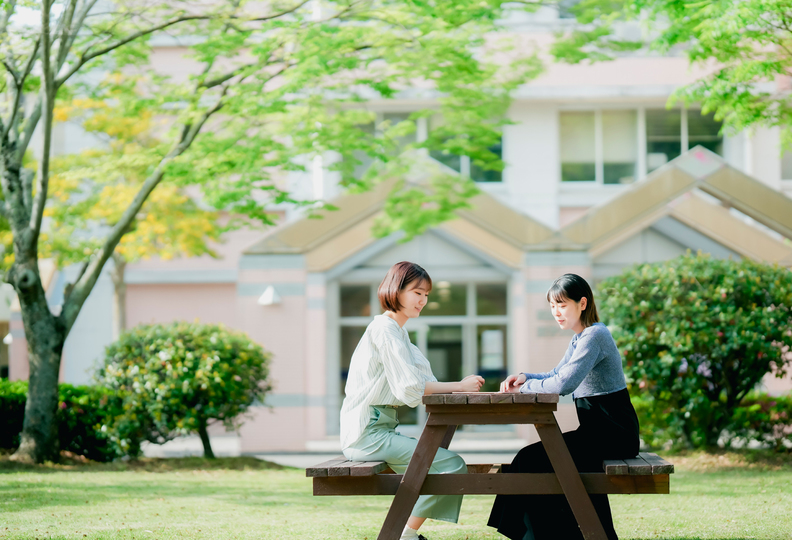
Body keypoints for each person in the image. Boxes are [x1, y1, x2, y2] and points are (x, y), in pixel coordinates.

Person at [487, 273, 640, 540]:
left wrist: (523, 389)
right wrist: (526, 377)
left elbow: (562, 385)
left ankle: (533, 534)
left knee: (532, 459)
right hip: (596, 434)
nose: (556, 313)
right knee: (531, 459)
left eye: (562, 305)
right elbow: (555, 374)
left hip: (614, 435)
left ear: (582, 303)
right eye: (552, 306)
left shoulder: (595, 335)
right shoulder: (579, 338)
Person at [340, 261, 485, 540]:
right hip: (367, 435)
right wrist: (459, 386)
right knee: (451, 465)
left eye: (426, 295)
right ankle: (405, 535)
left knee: (433, 467)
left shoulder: (399, 332)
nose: (423, 300)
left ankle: (402, 533)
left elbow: (424, 381)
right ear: (396, 290)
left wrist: (459, 388)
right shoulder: (384, 329)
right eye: (417, 292)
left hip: (379, 431)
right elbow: (410, 388)